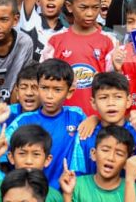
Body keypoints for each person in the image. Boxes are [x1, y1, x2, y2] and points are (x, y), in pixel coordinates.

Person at [5, 60, 85, 189]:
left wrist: (94, 119)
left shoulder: (77, 116)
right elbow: (2, 155)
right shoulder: (23, 121)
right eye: (44, 88)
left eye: (57, 90)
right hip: (29, 193)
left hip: (66, 191)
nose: (49, 96)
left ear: (69, 92)